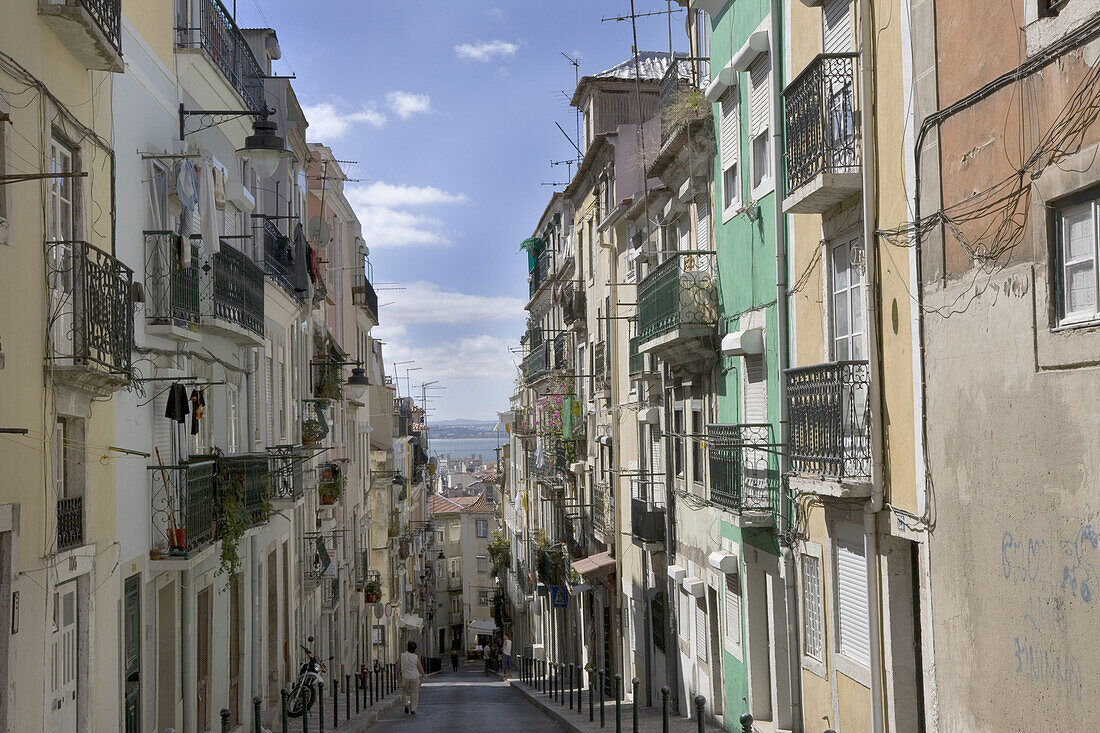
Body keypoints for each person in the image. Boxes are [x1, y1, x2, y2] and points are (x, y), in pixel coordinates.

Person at [400, 640, 426, 715]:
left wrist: (397, 674)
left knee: (405, 692)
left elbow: (398, 665)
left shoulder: (402, 655)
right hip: (414, 677)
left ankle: (406, 704)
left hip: (405, 676)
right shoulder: (415, 657)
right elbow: (419, 667)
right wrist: (423, 674)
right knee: (414, 693)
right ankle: (413, 709)